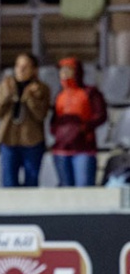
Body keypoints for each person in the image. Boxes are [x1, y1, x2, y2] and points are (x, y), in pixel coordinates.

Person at [0, 52, 51, 187]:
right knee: (9, 181)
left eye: (25, 67)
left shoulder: (41, 89)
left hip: (32, 141)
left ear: (34, 69)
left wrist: (29, 97)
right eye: (18, 66)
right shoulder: (5, 86)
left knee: (31, 181)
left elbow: (40, 115)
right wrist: (7, 95)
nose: (21, 70)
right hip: (8, 139)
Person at [50, 56, 107, 187]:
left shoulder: (89, 92)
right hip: (61, 149)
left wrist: (82, 128)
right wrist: (57, 132)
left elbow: (100, 115)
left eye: (68, 70)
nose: (64, 74)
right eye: (62, 70)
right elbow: (54, 119)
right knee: (66, 189)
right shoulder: (60, 95)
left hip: (84, 148)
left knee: (84, 187)